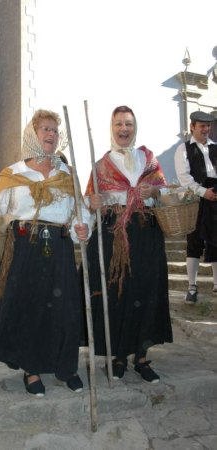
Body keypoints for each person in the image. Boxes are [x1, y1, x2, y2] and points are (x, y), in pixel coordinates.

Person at [0, 109, 93, 398]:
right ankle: (32, 369)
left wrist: (84, 227)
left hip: (60, 247)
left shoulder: (67, 174)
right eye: (45, 129)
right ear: (33, 135)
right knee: (29, 309)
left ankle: (66, 368)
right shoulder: (14, 173)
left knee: (65, 311)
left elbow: (82, 210)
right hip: (24, 248)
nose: (51, 134)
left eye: (55, 130)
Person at [83, 105, 173, 384]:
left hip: (146, 232)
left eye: (129, 124)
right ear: (112, 128)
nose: (124, 129)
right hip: (113, 232)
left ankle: (142, 356)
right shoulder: (101, 165)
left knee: (146, 291)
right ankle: (119, 356)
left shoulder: (149, 160)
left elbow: (165, 194)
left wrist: (154, 190)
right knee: (118, 292)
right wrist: (93, 202)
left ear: (135, 127)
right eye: (119, 124)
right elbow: (90, 201)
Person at [174, 110, 217, 304]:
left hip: (215, 195)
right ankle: (192, 286)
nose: (206, 129)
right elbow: (184, 178)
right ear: (192, 126)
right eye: (202, 126)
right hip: (196, 200)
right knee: (194, 241)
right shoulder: (183, 149)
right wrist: (202, 192)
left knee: (216, 242)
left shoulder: (216, 147)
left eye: (208, 126)